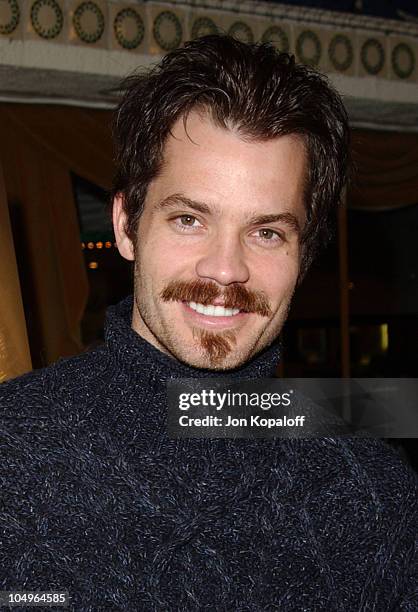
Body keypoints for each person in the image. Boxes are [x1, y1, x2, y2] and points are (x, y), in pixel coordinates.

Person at [1, 35, 417, 610]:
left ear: (306, 256)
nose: (226, 270)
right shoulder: (14, 453)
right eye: (190, 218)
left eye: (267, 232)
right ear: (125, 226)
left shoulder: (374, 491)